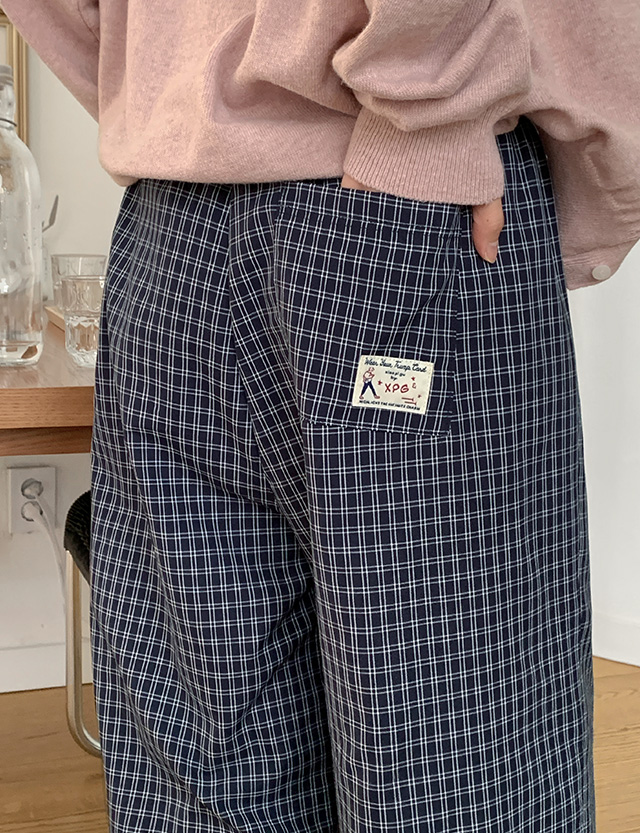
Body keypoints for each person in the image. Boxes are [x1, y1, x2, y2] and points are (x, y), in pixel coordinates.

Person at [6, 2, 640, 831]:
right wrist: (428, 99)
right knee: (460, 779)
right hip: (399, 194)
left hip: (170, 235)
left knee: (206, 780)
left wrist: (166, 94)